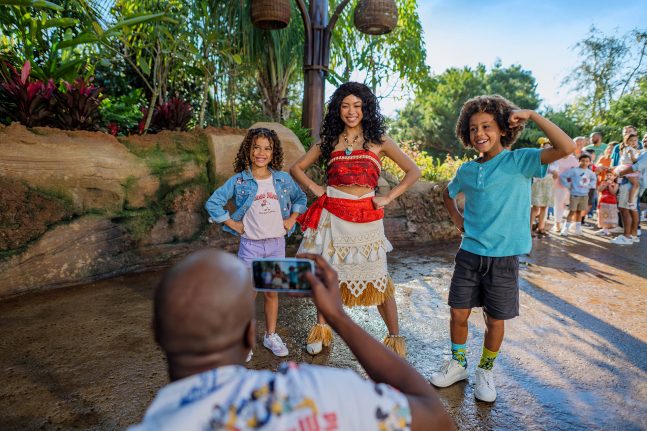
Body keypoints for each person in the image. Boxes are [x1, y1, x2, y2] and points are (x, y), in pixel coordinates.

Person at [128, 249, 455, 430]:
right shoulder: (321, 394)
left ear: (155, 330)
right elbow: (435, 417)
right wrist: (338, 318)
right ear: (250, 334)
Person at [432, 95, 575, 402]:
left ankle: (486, 370)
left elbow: (567, 147)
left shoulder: (520, 161)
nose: (479, 133)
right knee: (458, 313)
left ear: (502, 129)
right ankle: (458, 364)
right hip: (469, 254)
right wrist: (458, 220)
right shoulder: (467, 171)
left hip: (504, 259)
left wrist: (534, 115)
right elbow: (448, 194)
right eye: (473, 128)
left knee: (495, 320)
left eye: (487, 126)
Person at [290, 82, 421, 357]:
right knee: (327, 275)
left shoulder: (380, 141)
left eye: (357, 106)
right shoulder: (328, 142)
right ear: (338, 109)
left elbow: (413, 171)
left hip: (366, 217)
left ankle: (394, 338)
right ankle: (321, 331)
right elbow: (296, 168)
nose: (351, 111)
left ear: (366, 108)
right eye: (346, 105)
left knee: (378, 278)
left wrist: (387, 198)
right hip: (332, 215)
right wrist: (316, 189)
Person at [205, 128, 307, 360]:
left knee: (271, 293)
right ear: (249, 150)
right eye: (256, 147)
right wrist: (233, 223)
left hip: (276, 245)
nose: (261, 152)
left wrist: (291, 219)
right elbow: (213, 203)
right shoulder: (239, 180)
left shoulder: (282, 179)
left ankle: (270, 335)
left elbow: (300, 199)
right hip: (250, 246)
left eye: (267, 148)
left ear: (274, 153)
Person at [612, 150, 647, 244]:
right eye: (644, 138)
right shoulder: (642, 152)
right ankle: (633, 236)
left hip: (630, 183)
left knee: (624, 209)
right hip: (635, 183)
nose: (645, 140)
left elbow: (635, 167)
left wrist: (620, 173)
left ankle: (627, 237)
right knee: (632, 209)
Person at [559, 154, 597, 236]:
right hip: (575, 194)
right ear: (579, 161)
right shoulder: (574, 171)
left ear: (590, 163)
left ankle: (578, 229)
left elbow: (594, 179)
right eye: (582, 161)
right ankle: (565, 228)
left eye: (587, 161)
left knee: (580, 212)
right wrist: (568, 185)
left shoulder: (590, 172)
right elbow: (563, 176)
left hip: (584, 195)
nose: (584, 163)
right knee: (572, 211)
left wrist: (589, 186)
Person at [530, 137, 558, 237]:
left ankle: (541, 227)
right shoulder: (538, 160)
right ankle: (529, 228)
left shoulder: (555, 161)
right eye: (545, 148)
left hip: (548, 183)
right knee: (536, 207)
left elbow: (556, 176)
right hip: (539, 183)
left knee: (544, 207)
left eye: (549, 148)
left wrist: (554, 172)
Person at [552, 143, 579, 233]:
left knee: (564, 205)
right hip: (555, 183)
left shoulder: (573, 160)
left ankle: (563, 223)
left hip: (568, 186)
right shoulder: (556, 158)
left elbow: (577, 172)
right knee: (557, 204)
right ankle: (557, 223)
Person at [617, 133, 641, 209]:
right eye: (631, 140)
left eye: (635, 140)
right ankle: (630, 201)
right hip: (628, 168)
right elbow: (633, 160)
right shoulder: (630, 149)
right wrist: (639, 159)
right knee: (636, 185)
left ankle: (619, 182)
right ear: (626, 142)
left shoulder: (629, 149)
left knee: (629, 184)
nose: (633, 142)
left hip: (625, 167)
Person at [594, 171, 619, 236]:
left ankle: (607, 229)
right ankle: (604, 229)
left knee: (610, 216)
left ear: (614, 177)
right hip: (603, 202)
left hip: (612, 203)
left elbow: (613, 192)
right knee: (603, 216)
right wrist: (605, 184)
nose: (609, 176)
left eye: (611, 175)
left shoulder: (616, 184)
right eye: (607, 175)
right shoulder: (603, 182)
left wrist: (609, 185)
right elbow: (599, 190)